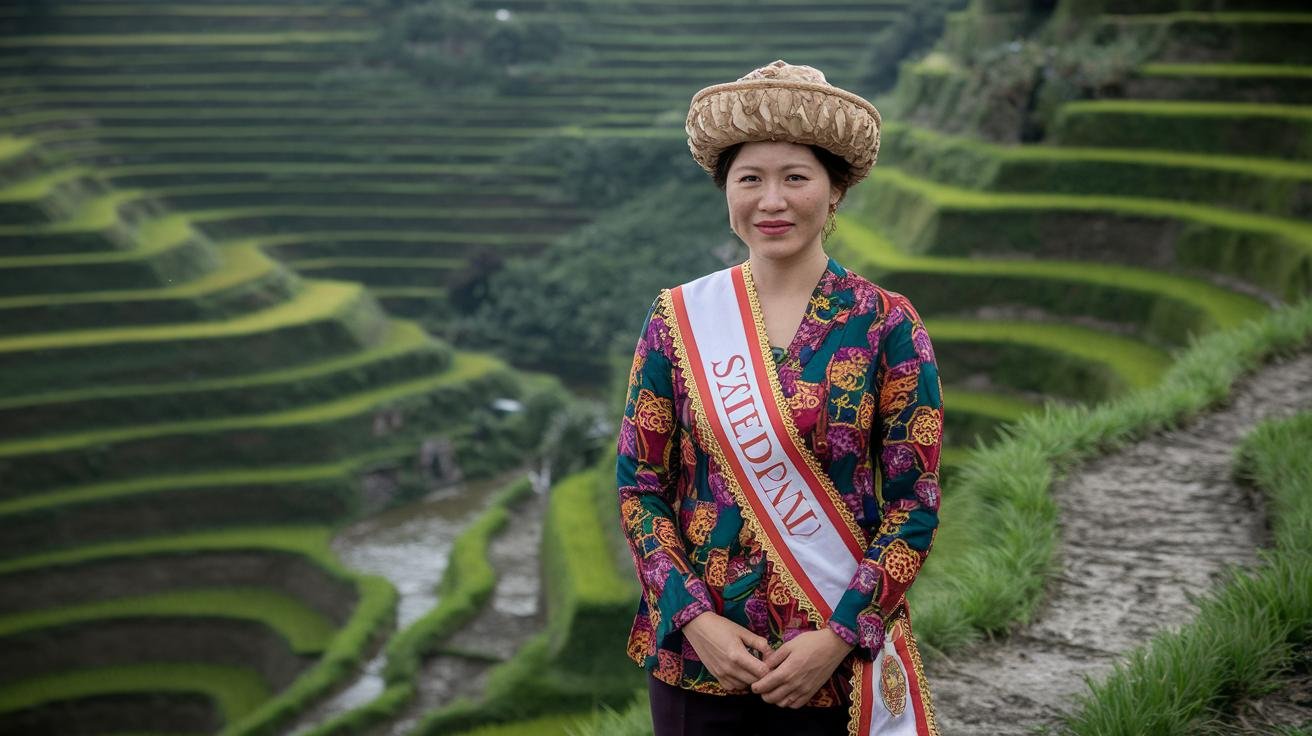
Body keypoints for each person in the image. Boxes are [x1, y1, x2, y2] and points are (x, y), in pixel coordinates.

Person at [616, 60, 943, 736]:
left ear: (835, 190)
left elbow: (914, 501)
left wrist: (840, 636)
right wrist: (694, 619)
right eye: (750, 179)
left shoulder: (885, 324)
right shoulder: (677, 318)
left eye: (795, 177)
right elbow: (640, 485)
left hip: (831, 666)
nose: (772, 201)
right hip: (697, 663)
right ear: (726, 191)